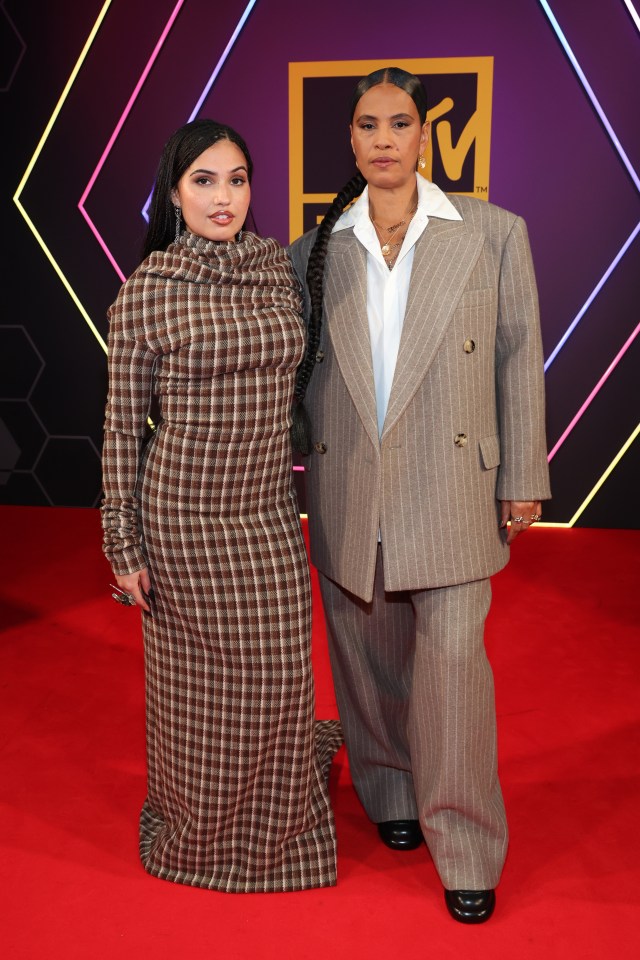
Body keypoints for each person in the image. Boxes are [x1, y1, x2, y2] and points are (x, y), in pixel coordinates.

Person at [288, 67, 551, 922]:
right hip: (348, 483)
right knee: (365, 663)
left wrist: (523, 478)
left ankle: (468, 842)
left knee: (450, 673)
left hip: (453, 483)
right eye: (368, 125)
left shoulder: (490, 232)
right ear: (352, 139)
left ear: (426, 136)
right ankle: (390, 791)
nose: (385, 140)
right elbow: (302, 377)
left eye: (400, 123)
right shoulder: (317, 248)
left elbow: (518, 355)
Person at [101, 119, 341, 893]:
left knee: (279, 681)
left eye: (237, 178)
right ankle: (199, 835)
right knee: (194, 700)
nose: (224, 195)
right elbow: (118, 432)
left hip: (268, 514)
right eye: (204, 180)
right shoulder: (148, 292)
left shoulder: (278, 271)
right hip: (184, 523)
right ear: (174, 192)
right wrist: (123, 545)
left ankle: (278, 834)